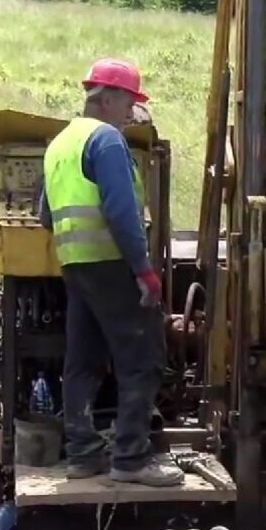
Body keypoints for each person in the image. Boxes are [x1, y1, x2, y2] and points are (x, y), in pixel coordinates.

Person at [39, 57, 183, 487]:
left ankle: (83, 455)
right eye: (129, 102)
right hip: (112, 264)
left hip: (75, 266)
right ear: (107, 99)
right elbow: (121, 213)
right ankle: (130, 459)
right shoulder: (106, 141)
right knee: (141, 359)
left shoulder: (59, 143)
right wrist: (144, 270)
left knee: (82, 361)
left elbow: (44, 215)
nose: (132, 112)